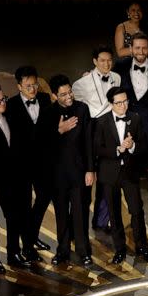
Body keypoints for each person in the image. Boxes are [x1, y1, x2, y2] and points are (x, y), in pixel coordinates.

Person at [93, 86, 148, 264]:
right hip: (109, 174)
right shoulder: (102, 122)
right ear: (111, 104)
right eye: (119, 103)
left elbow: (143, 146)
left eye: (125, 101)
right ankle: (120, 249)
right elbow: (97, 149)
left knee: (136, 210)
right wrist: (118, 149)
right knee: (114, 214)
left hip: (130, 173)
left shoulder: (135, 118)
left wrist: (132, 146)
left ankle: (142, 247)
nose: (123, 106)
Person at [37, 75, 94, 266]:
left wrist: (90, 170)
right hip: (57, 175)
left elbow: (88, 141)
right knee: (61, 215)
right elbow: (41, 146)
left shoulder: (82, 109)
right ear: (54, 95)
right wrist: (59, 130)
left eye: (70, 91)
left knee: (80, 214)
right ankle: (62, 251)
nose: (69, 96)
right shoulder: (47, 114)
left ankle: (83, 251)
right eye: (63, 94)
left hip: (79, 173)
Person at [113, 31, 148, 212]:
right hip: (129, 130)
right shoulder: (120, 67)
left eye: (144, 47)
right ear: (130, 48)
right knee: (130, 174)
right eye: (137, 47)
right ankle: (135, 214)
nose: (141, 51)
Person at [7, 65, 52, 263]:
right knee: (24, 206)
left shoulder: (44, 99)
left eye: (34, 85)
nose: (32, 89)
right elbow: (17, 139)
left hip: (43, 163)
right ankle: (28, 245)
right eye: (28, 86)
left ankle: (30, 236)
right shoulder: (11, 106)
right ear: (19, 86)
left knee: (44, 198)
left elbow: (49, 127)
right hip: (21, 166)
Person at [72, 45, 121, 231]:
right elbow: (81, 114)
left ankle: (102, 220)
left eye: (109, 60)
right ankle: (80, 225)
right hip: (92, 135)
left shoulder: (117, 77)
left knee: (107, 179)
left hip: (112, 134)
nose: (106, 64)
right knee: (88, 181)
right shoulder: (80, 84)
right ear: (94, 61)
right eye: (102, 60)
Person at [0, 83, 25, 271]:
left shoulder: (8, 117)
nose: (2, 104)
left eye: (3, 99)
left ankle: (14, 253)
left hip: (12, 180)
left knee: (14, 218)